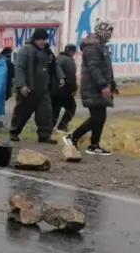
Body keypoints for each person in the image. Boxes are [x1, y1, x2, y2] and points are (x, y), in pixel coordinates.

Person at [66, 21, 117, 155]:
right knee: (97, 118)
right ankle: (72, 137)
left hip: (100, 88)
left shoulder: (102, 47)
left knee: (101, 117)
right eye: (109, 31)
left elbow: (107, 69)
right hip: (92, 88)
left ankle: (94, 145)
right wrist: (103, 85)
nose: (111, 34)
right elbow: (94, 68)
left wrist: (112, 84)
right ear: (102, 32)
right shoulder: (92, 48)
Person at [9, 28, 60, 143]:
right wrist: (22, 85)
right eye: (40, 39)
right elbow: (20, 68)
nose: (43, 41)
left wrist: (60, 77)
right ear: (35, 39)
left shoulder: (47, 52)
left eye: (44, 39)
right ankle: (14, 132)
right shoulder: (25, 50)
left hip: (43, 90)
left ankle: (44, 135)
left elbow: (54, 65)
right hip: (28, 89)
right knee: (22, 112)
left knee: (45, 114)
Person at [52, 44, 78, 132]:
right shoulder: (69, 61)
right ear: (72, 52)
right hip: (64, 90)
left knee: (55, 109)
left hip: (53, 89)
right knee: (72, 107)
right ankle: (63, 125)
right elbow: (71, 77)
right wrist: (74, 89)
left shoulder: (57, 58)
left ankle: (49, 127)